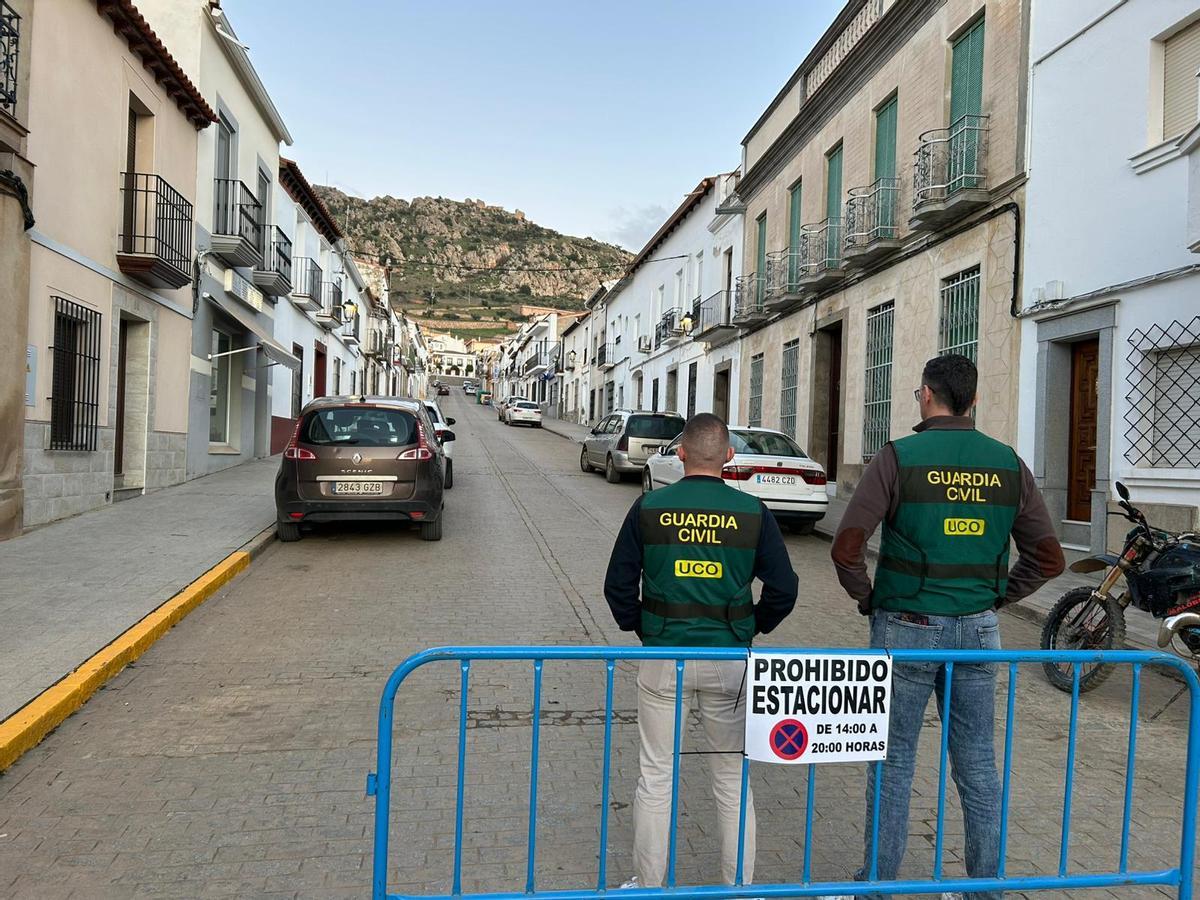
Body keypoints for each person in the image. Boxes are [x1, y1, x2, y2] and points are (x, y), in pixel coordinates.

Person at [827, 354, 1065, 900]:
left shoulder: (896, 458)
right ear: (973, 401)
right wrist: (997, 597)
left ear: (926, 395)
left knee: (893, 760)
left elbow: (846, 547)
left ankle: (877, 887)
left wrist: (870, 599)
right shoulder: (1008, 464)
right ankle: (985, 890)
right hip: (979, 631)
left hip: (905, 628)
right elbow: (1050, 559)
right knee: (978, 763)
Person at [604, 413, 799, 890]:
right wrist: (751, 625)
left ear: (681, 453)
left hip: (663, 658)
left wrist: (644, 626)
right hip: (730, 660)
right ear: (729, 456)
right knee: (731, 780)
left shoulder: (650, 507)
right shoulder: (753, 512)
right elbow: (784, 588)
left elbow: (617, 586)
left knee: (656, 775)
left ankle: (650, 886)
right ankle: (738, 889)